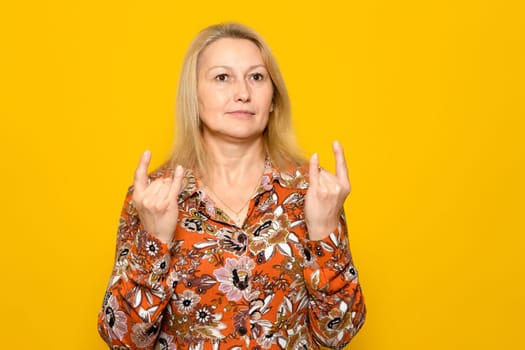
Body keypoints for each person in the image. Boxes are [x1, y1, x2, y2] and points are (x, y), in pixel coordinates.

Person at [98, 22, 366, 349]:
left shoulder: (312, 191)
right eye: (222, 77)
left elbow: (337, 333)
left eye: (256, 77)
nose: (242, 92)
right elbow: (123, 340)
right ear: (193, 95)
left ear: (272, 98)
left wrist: (325, 229)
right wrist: (154, 241)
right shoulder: (154, 196)